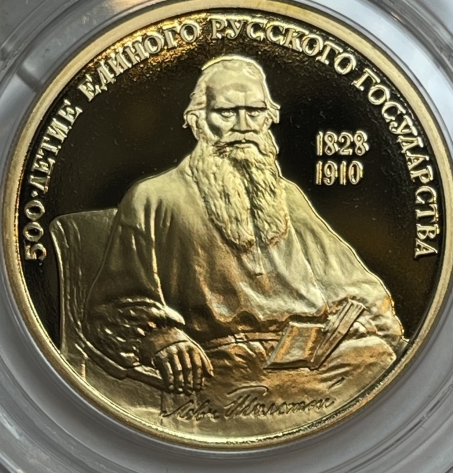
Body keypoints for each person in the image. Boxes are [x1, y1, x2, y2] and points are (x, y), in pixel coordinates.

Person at [82, 56, 405, 422]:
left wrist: (363, 321)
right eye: (227, 112)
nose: (243, 125)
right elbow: (115, 302)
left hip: (310, 355)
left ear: (269, 118)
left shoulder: (289, 197)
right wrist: (162, 338)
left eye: (254, 112)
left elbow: (354, 283)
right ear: (198, 120)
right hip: (218, 361)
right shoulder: (153, 197)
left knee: (377, 356)